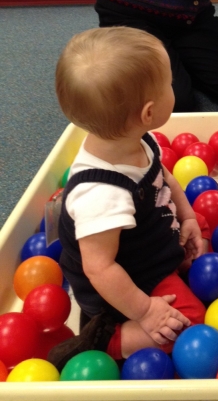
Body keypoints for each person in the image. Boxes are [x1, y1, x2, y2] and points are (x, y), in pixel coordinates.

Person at [48, 26, 209, 370]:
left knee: (208, 222)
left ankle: (181, 257)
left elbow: (164, 180)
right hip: (128, 280)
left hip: (151, 237)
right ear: (148, 112)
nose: (174, 86)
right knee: (189, 325)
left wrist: (190, 218)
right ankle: (107, 339)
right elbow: (101, 268)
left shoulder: (137, 139)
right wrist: (146, 311)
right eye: (169, 83)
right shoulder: (101, 194)